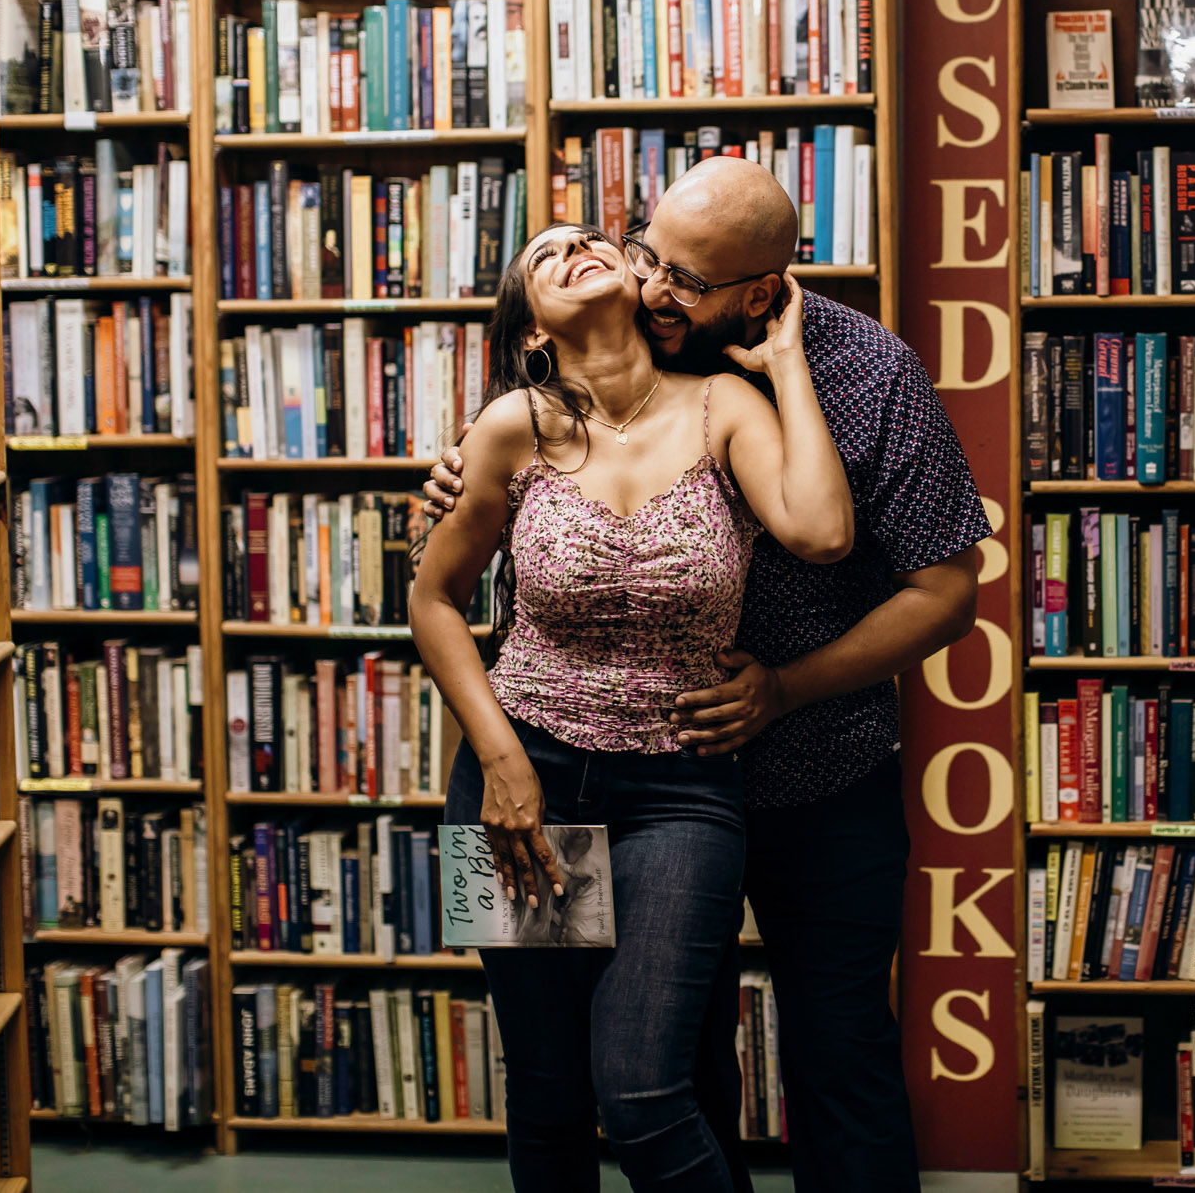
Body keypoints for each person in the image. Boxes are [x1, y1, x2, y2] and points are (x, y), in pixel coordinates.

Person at [424, 156, 991, 1193]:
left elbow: (945, 591)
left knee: (836, 1054)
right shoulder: (601, 343)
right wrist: (457, 470)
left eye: (681, 279)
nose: (647, 287)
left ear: (760, 291)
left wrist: (784, 687)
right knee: (628, 1076)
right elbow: (482, 513)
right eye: (644, 254)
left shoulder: (870, 374)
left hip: (811, 773)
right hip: (590, 766)